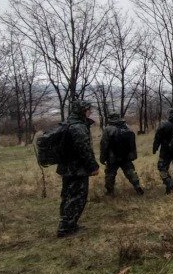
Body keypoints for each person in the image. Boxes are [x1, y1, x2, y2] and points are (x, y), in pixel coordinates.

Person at [56, 99, 100, 237]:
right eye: (88, 109)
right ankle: (66, 228)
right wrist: (93, 166)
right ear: (82, 111)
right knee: (77, 197)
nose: (90, 112)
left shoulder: (68, 123)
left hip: (67, 168)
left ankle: (68, 223)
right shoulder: (79, 127)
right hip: (77, 169)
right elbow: (84, 149)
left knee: (67, 195)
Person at [100, 112, 143, 195]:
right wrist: (133, 155)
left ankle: (110, 191)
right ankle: (137, 186)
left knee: (110, 174)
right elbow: (132, 143)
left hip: (112, 157)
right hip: (126, 156)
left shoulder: (108, 129)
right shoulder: (127, 128)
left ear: (110, 118)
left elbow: (104, 145)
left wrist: (102, 158)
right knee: (130, 172)